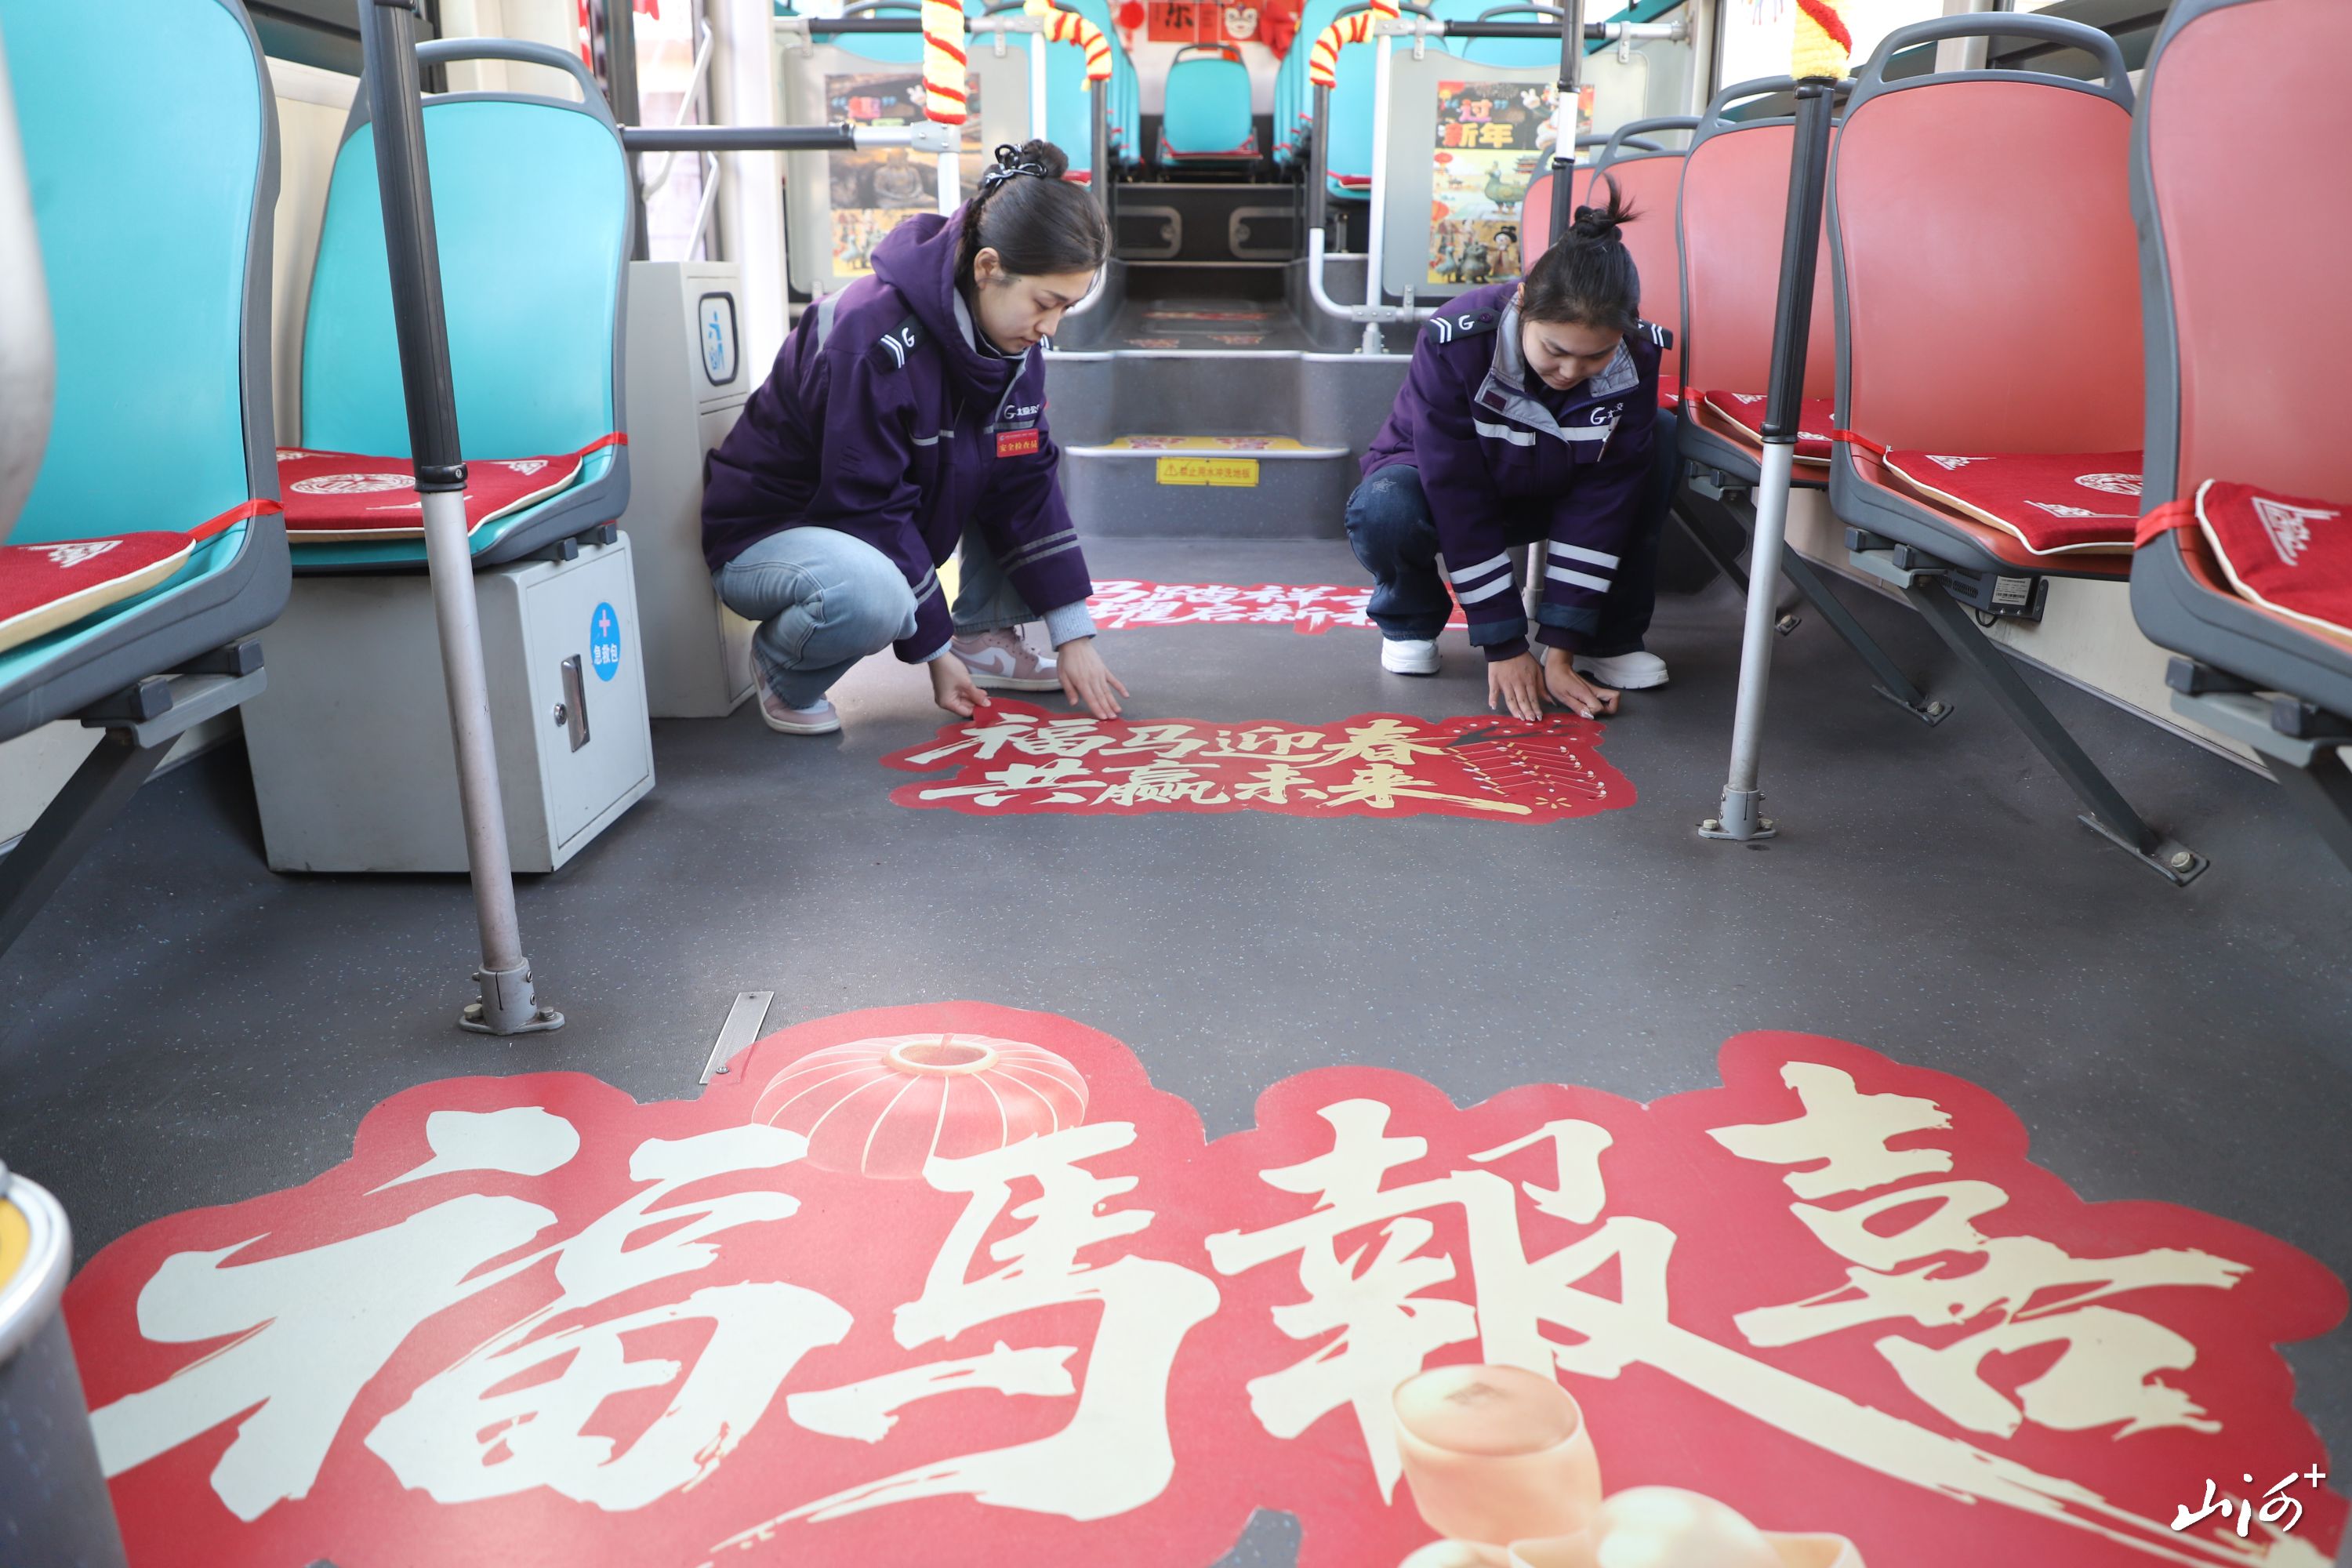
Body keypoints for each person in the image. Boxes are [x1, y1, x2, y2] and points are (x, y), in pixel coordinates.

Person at [701, 140, 1127, 735]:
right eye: (1045, 303)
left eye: (1066, 308)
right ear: (987, 268)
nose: (1050, 327)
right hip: (775, 534)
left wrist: (1072, 633)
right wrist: (934, 650)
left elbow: (1025, 483)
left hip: (863, 523)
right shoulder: (869, 337)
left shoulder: (1012, 339)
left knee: (1011, 458)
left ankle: (983, 637)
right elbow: (868, 508)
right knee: (874, 595)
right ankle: (784, 668)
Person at [1346, 184, 1674, 720]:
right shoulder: (1455, 341)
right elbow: (1457, 491)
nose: (1571, 372)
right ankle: (1410, 618)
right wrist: (1504, 644)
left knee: (1660, 438)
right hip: (1445, 488)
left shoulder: (1637, 354)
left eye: (1595, 357)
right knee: (1386, 505)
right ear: (1522, 304)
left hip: (1555, 487)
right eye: (1555, 350)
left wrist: (1559, 651)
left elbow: (1605, 501)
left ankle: (1606, 637)